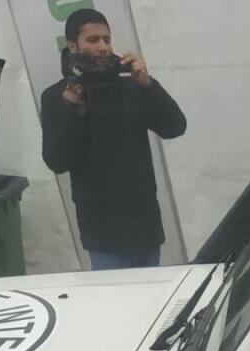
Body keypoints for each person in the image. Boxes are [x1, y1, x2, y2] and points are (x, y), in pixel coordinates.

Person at [40, 8, 186, 270]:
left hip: (144, 224)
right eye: (93, 40)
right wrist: (71, 109)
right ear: (72, 45)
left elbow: (175, 127)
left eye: (106, 39)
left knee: (150, 293)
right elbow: (57, 161)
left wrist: (148, 84)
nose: (103, 47)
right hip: (102, 231)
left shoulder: (131, 86)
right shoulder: (56, 96)